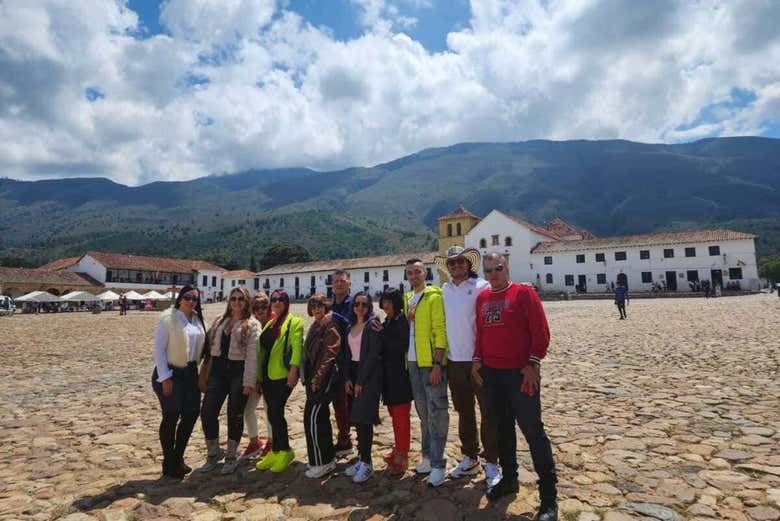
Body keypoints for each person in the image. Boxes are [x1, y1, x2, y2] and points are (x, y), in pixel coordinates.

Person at [472, 253, 558, 520]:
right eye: (488, 270)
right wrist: (477, 360)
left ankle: (549, 498)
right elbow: (480, 334)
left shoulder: (524, 294)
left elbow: (540, 331)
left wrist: (533, 363)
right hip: (492, 375)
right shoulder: (482, 298)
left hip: (521, 374)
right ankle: (509, 479)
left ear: (507, 268)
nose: (493, 274)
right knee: (502, 429)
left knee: (533, 432)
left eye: (498, 268)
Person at [436, 246, 500, 487]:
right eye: (451, 262)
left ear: (468, 263)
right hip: (454, 361)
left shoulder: (482, 286)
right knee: (464, 412)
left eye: (460, 261)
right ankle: (470, 456)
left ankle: (492, 461)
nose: (456, 265)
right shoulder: (444, 290)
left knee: (488, 412)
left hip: (479, 361)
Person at [198, 287, 260, 474]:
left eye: (241, 298)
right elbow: (208, 346)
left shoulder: (252, 324)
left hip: (238, 372)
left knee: (235, 414)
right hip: (218, 371)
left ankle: (231, 456)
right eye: (233, 298)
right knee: (207, 411)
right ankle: (213, 452)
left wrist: (249, 382)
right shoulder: (220, 320)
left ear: (246, 301)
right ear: (229, 301)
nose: (237, 302)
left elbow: (252, 356)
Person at [151, 286, 207, 479]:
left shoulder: (198, 320)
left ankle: (178, 456)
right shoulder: (169, 319)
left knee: (191, 414)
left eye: (194, 299)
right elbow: (159, 349)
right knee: (171, 415)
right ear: (180, 298)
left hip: (190, 373)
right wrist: (165, 377)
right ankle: (169, 461)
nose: (191, 301)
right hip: (171, 371)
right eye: (187, 297)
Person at [404, 258, 449, 487]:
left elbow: (440, 330)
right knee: (423, 413)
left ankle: (439, 464)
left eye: (417, 271)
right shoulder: (407, 298)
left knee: (437, 412)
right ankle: (428, 457)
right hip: (412, 363)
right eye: (410, 273)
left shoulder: (434, 296)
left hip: (430, 363)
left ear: (425, 273)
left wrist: (437, 364)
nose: (414, 275)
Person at [255, 290, 304, 473]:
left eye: (280, 299)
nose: (276, 302)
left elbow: (297, 348)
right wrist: (258, 377)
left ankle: (285, 451)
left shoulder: (294, 322)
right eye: (274, 299)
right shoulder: (270, 323)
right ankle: (275, 451)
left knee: (276, 412)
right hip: (267, 376)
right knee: (271, 414)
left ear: (286, 302)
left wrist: (293, 371)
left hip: (282, 375)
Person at [343, 292, 383, 483]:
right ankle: (362, 457)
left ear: (369, 307)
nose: (360, 307)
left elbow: (374, 354)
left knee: (364, 419)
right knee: (357, 419)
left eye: (364, 304)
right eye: (357, 304)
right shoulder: (350, 326)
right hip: (353, 373)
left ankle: (367, 464)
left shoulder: (372, 325)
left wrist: (361, 381)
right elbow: (346, 355)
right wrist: (347, 378)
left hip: (368, 375)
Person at [301, 294, 342, 478]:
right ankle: (327, 459)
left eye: (320, 305)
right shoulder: (315, 325)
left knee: (313, 419)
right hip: (314, 378)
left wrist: (317, 378)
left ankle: (320, 462)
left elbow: (329, 354)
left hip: (322, 380)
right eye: (313, 306)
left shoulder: (330, 326)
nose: (317, 309)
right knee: (321, 419)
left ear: (326, 307)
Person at [377, 288, 414, 475]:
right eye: (384, 301)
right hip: (389, 377)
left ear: (397, 303)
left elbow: (402, 346)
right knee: (394, 415)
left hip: (400, 377)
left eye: (390, 302)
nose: (386, 305)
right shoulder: (388, 321)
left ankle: (403, 454)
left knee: (401, 417)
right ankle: (398, 447)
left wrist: (383, 334)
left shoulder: (401, 322)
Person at [239, 293, 275, 461]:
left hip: (271, 376)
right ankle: (254, 441)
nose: (260, 310)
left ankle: (272, 442)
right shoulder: (250, 324)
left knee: (270, 410)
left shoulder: (276, 324)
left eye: (263, 307)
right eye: (256, 307)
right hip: (254, 375)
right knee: (247, 409)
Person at [329, 270, 355, 458]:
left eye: (342, 281)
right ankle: (344, 439)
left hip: (352, 360)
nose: (339, 284)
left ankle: (361, 445)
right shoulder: (330, 306)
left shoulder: (355, 304)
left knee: (353, 403)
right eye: (336, 281)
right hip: (334, 360)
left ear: (349, 284)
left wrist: (334, 318)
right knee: (339, 404)